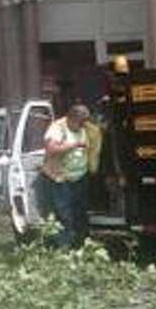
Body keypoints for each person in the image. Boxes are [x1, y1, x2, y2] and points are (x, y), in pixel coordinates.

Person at [39, 103, 91, 248]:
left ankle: (81, 245)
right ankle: (65, 248)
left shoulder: (81, 128)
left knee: (80, 213)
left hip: (79, 177)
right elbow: (51, 149)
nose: (82, 126)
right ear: (71, 119)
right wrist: (73, 145)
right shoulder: (58, 128)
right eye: (80, 123)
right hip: (61, 178)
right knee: (64, 214)